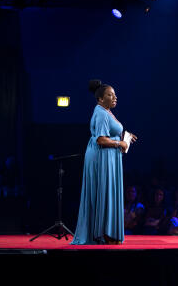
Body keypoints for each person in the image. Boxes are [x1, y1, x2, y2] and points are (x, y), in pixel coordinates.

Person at [72, 79, 137, 245]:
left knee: (107, 192)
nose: (115, 97)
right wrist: (119, 143)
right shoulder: (100, 112)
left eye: (115, 95)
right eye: (110, 94)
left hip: (109, 156)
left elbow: (109, 134)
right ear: (101, 98)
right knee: (104, 192)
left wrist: (125, 138)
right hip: (101, 156)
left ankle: (107, 231)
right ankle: (102, 232)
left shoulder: (106, 111)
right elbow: (101, 140)